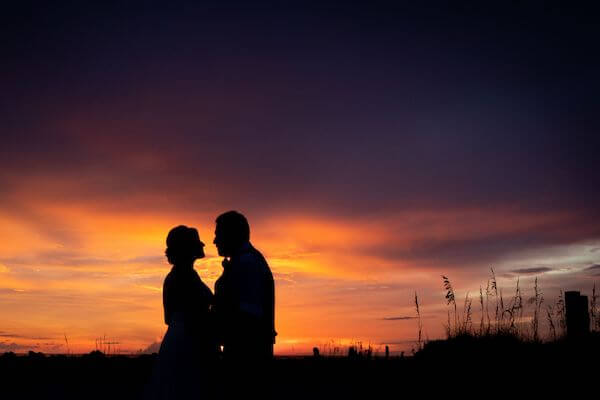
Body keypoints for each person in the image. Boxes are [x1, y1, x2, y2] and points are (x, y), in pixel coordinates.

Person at [145, 225, 217, 399]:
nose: (202, 247)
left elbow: (169, 317)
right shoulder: (184, 277)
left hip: (180, 339)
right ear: (187, 250)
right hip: (188, 341)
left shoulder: (182, 275)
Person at [212, 211, 276, 362]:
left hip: (246, 355)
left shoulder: (247, 263)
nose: (215, 241)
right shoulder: (245, 260)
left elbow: (248, 314)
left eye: (218, 234)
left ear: (232, 234)